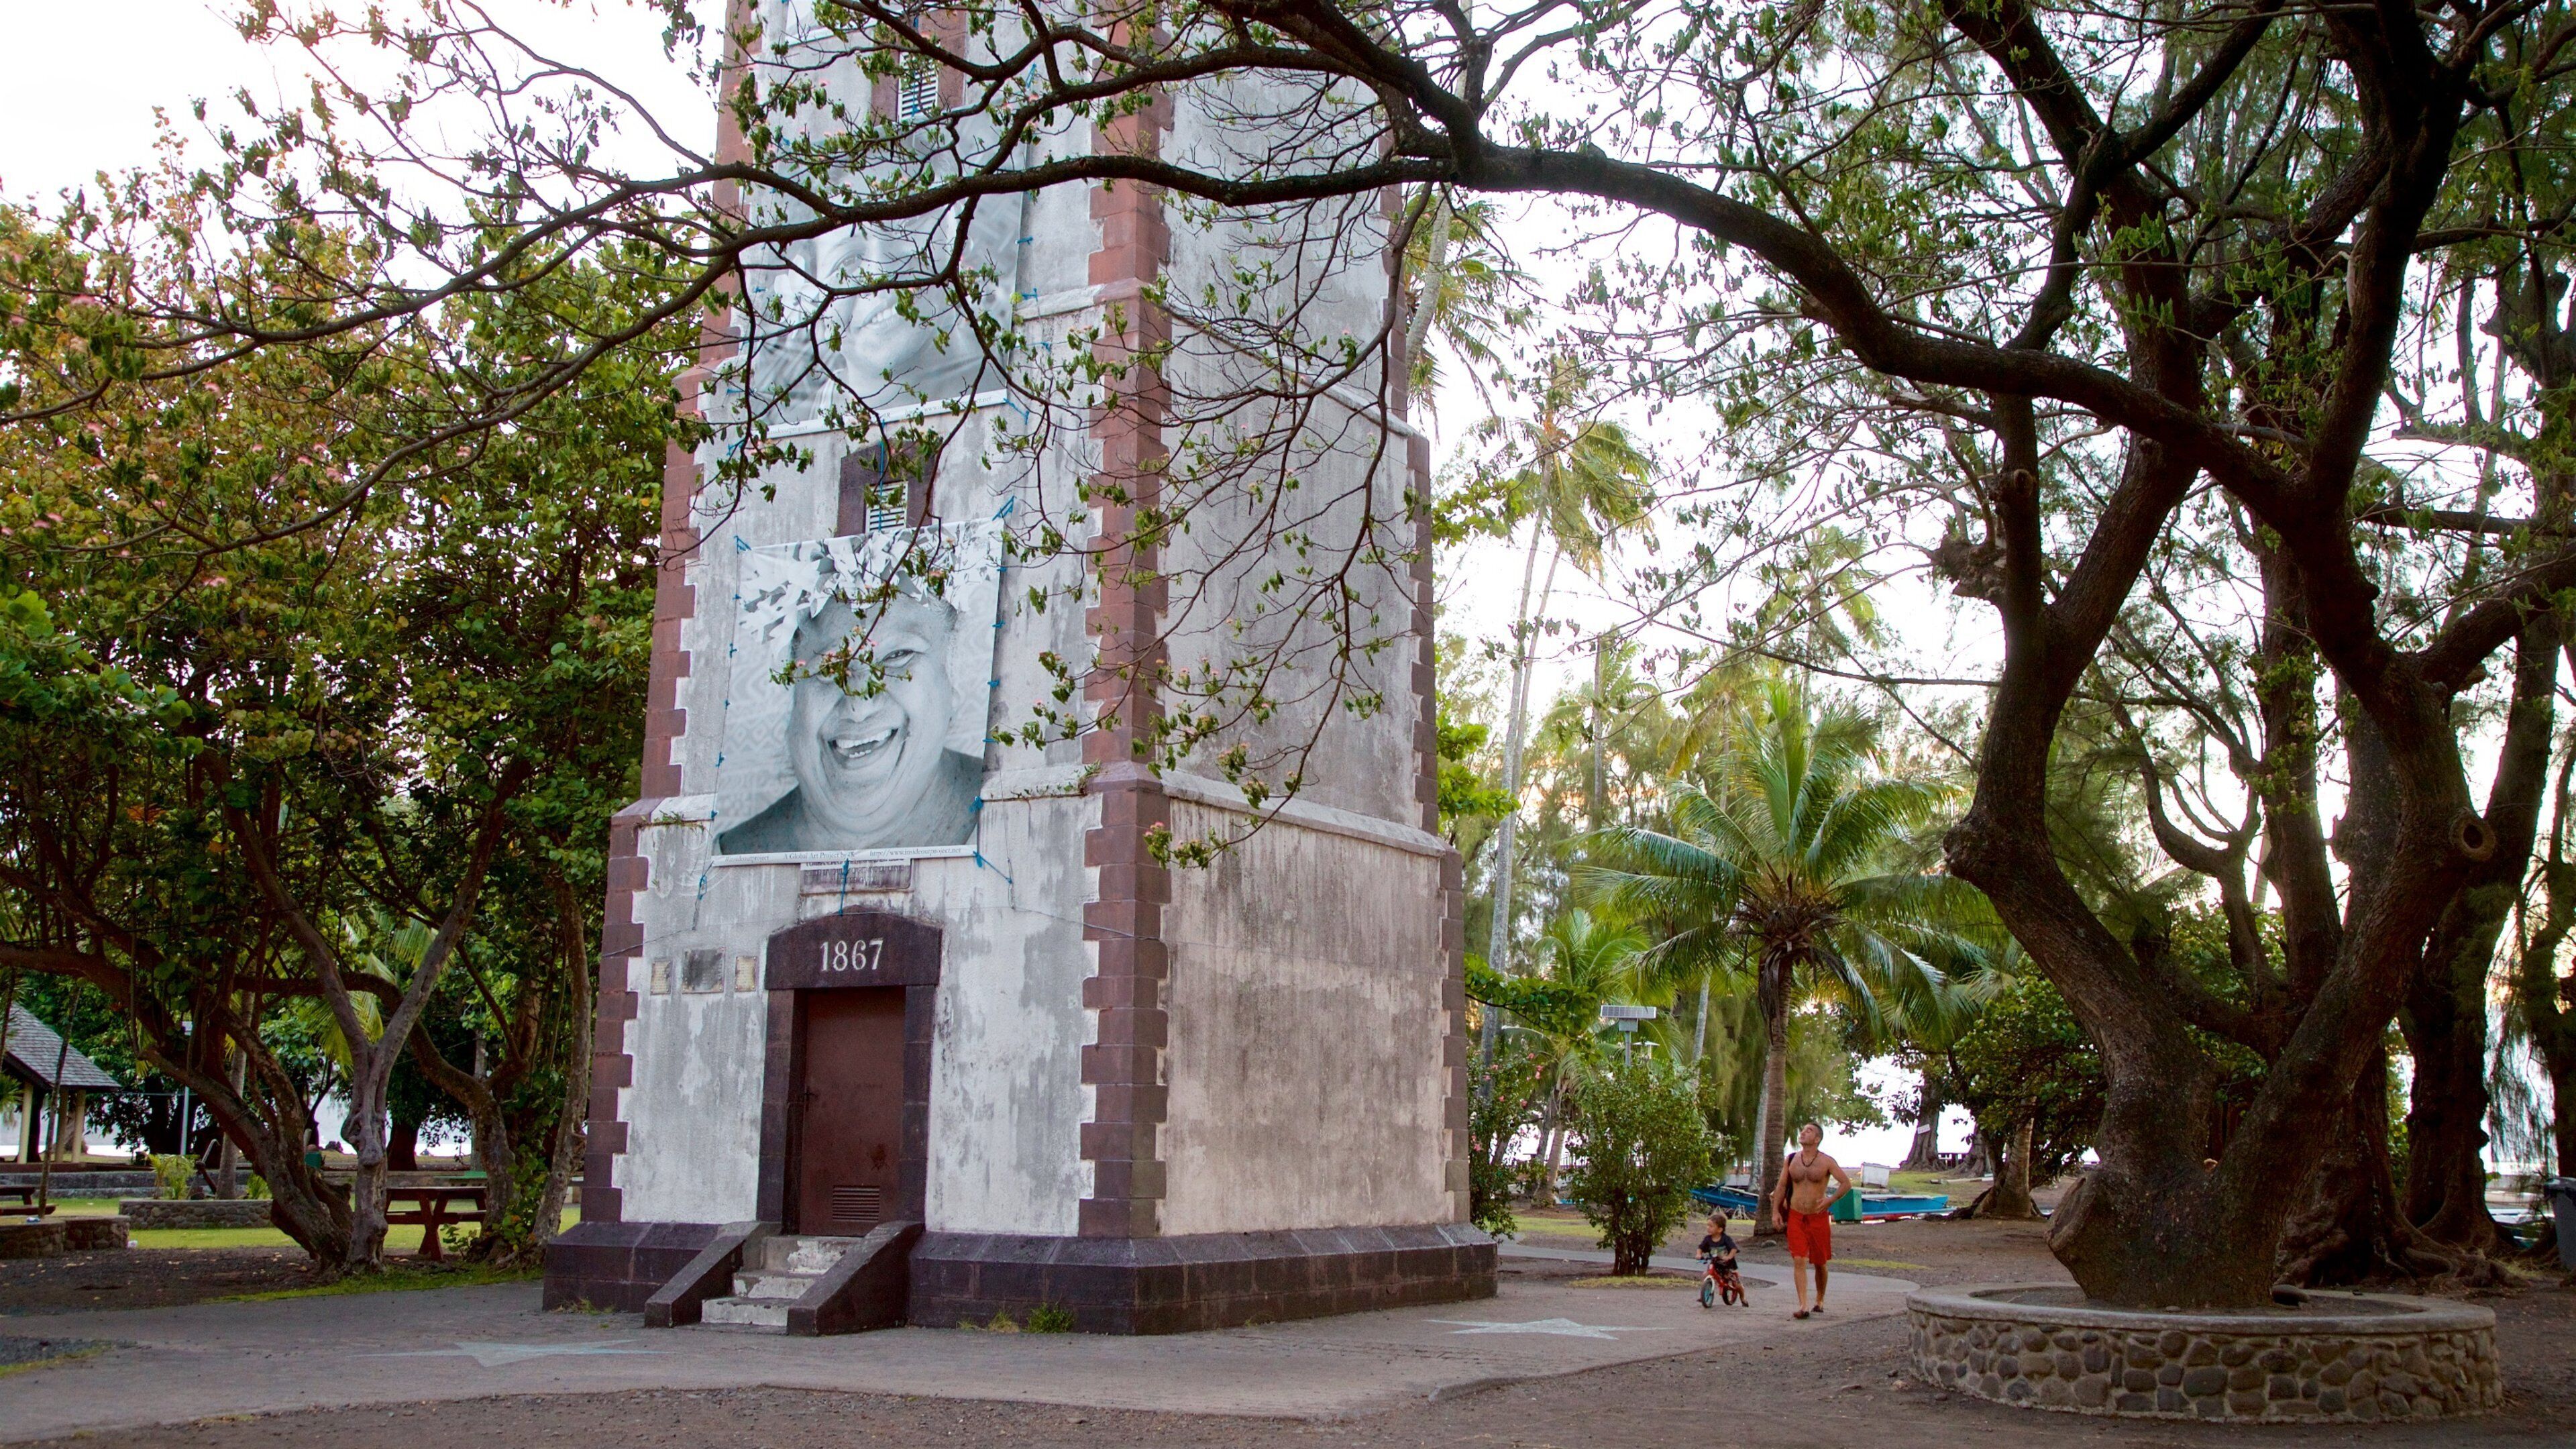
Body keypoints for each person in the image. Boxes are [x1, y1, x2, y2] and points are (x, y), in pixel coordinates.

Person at [719, 590, 982, 853]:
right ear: (793, 700)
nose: (859, 707)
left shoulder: (1015, 814)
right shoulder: (720, 860)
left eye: (897, 656)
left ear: (953, 677)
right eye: (828, 668)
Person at [1771, 1121, 1853, 1319]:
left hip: (1818, 1217)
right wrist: (1776, 1212)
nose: (1803, 1133)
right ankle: (1803, 1305)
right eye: (1803, 1130)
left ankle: (1820, 1299)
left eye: (1809, 1131)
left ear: (1817, 1139)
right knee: (1799, 1259)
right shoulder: (1791, 1159)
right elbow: (1781, 1186)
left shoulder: (1826, 1161)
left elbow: (1846, 1183)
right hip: (1797, 1215)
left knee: (1820, 1262)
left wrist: (1830, 1200)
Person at [1697, 1212, 1742, 1305]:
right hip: (1715, 1263)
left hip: (1727, 1264)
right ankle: (1704, 1293)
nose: (1708, 1228)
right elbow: (1701, 1248)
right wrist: (1699, 1254)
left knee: (1736, 1283)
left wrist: (1729, 1257)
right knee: (1706, 1274)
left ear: (1720, 1229)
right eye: (1707, 1226)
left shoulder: (1726, 1239)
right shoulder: (1708, 1239)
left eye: (1711, 1226)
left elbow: (1734, 1249)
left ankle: (1743, 1297)